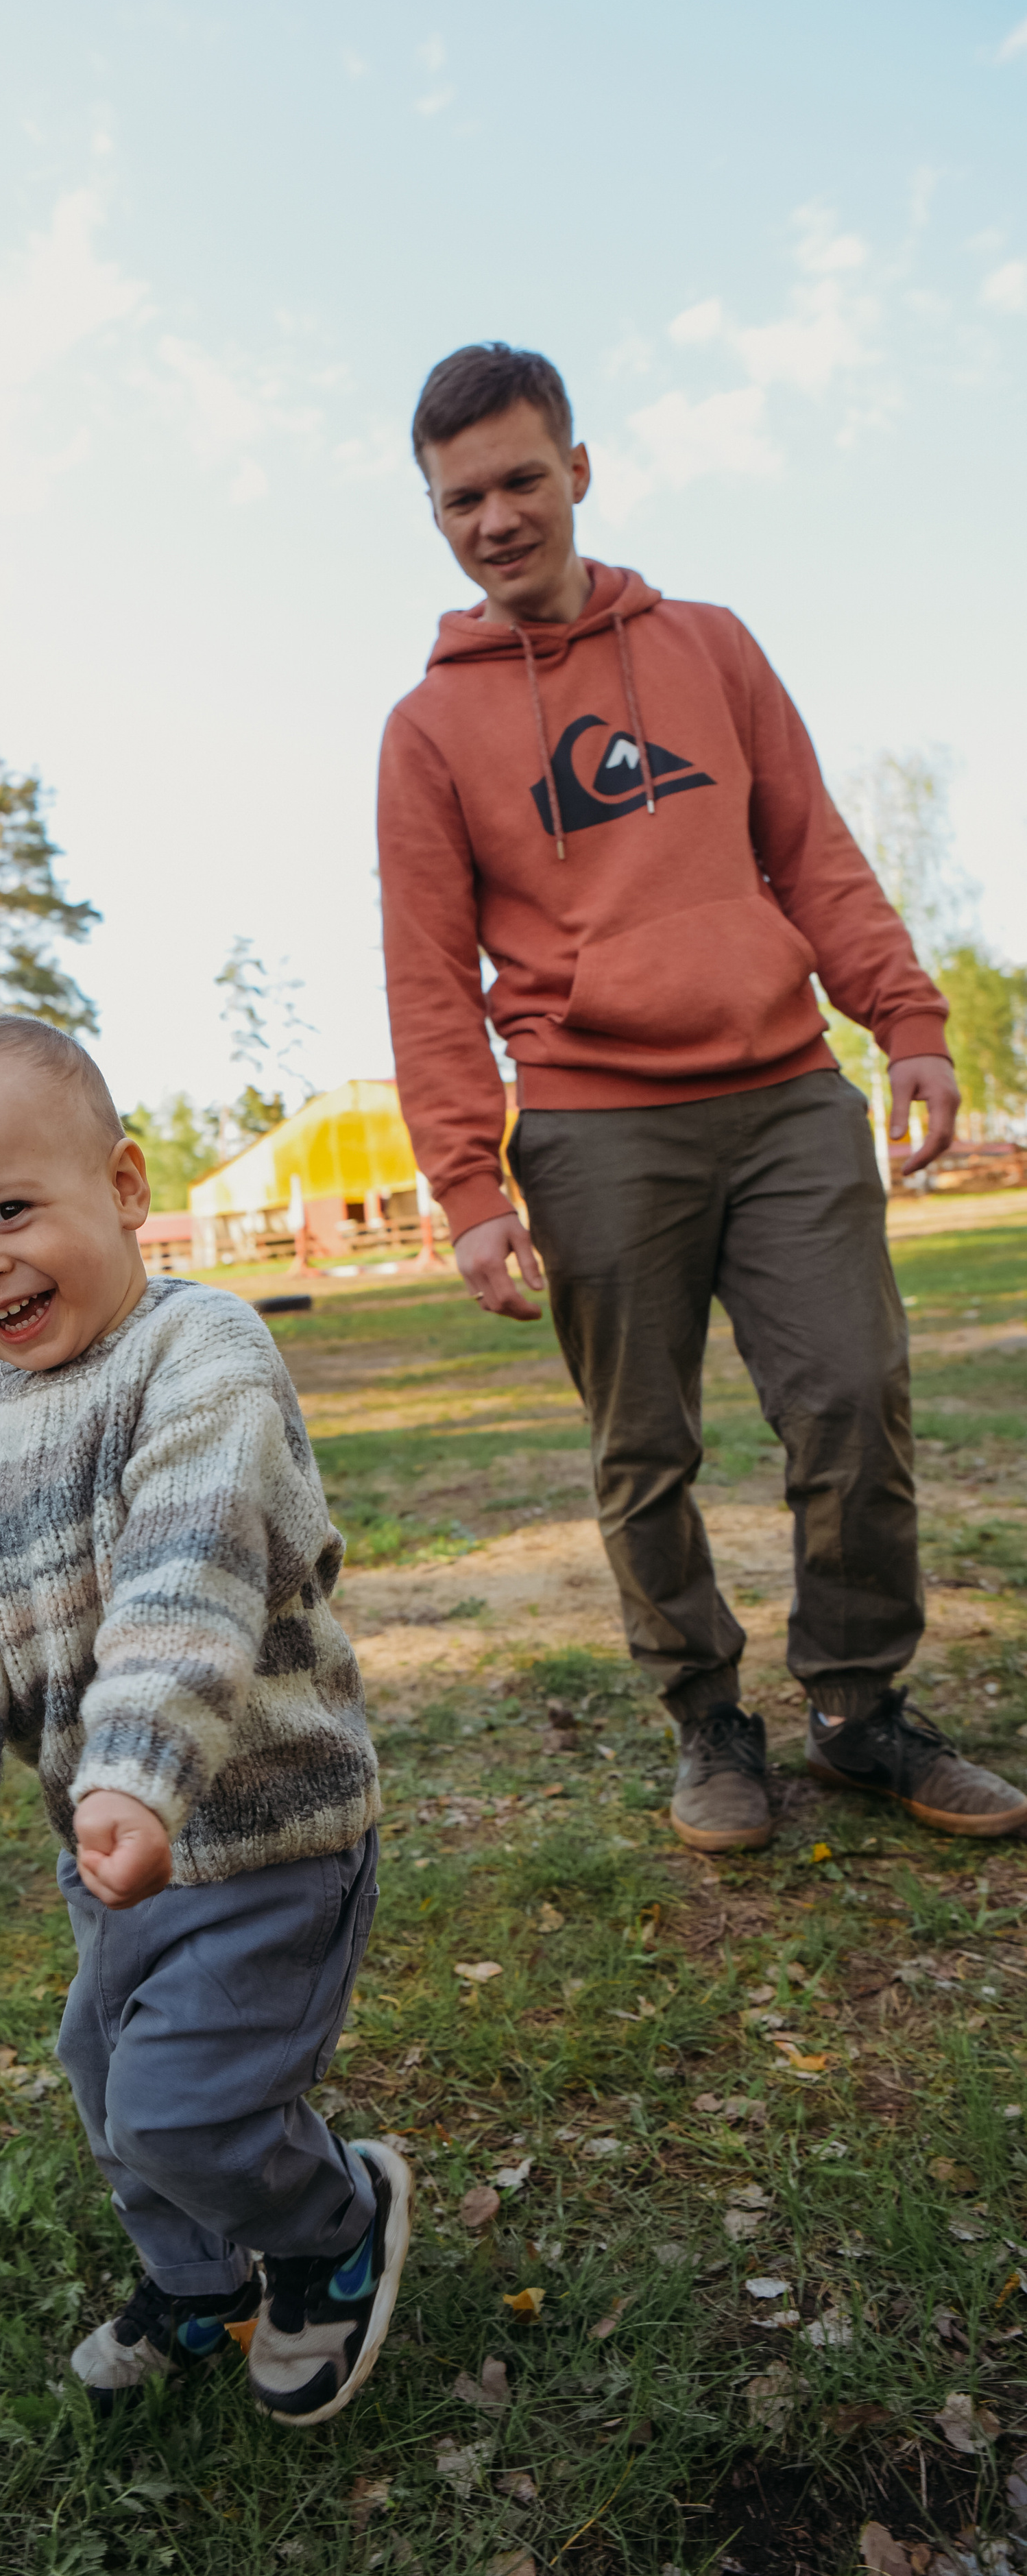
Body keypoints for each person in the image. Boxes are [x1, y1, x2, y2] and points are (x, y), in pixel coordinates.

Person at [377, 341, 1027, 1854]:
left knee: (850, 1398)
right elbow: (426, 976)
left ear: (577, 470)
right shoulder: (426, 731)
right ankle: (706, 1721)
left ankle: (858, 1710)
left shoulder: (710, 646)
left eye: (519, 480)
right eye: (460, 499)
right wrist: (468, 1185)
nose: (494, 519)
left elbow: (811, 850)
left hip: (788, 1089)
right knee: (643, 1447)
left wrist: (905, 1016)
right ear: (436, 515)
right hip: (594, 1124)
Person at [0, 1015, 411, 2423]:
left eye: (9, 1211)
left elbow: (187, 1577)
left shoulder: (201, 1351)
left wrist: (138, 1772)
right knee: (106, 2079)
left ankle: (335, 2227)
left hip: (265, 1831)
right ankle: (199, 2276)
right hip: (117, 1854)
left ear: (126, 1187)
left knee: (185, 2103)